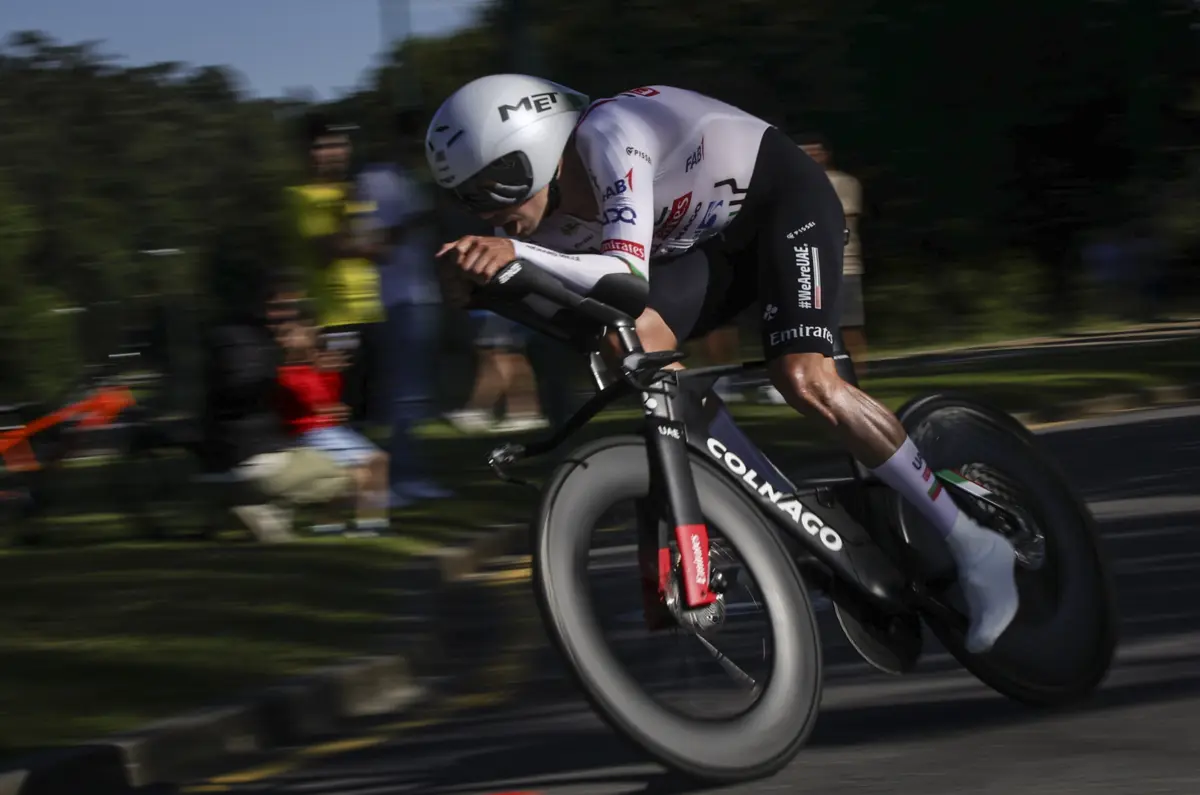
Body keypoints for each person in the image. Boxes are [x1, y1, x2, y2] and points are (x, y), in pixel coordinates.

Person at [425, 75, 1018, 653]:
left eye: (490, 190)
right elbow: (592, 315)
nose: (486, 214)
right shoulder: (545, 218)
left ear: (532, 150)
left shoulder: (608, 134)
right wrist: (488, 289)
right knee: (626, 344)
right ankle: (763, 502)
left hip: (783, 204)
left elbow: (626, 281)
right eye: (466, 200)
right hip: (709, 248)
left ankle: (973, 541)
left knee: (804, 377)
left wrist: (516, 254)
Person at [199, 277, 352, 539]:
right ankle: (251, 500)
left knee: (322, 466)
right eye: (284, 305)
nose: (291, 313)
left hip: (236, 449)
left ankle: (260, 508)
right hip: (255, 453)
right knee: (346, 475)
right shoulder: (254, 344)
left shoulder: (228, 336)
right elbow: (249, 387)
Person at [352, 108, 453, 507]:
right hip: (393, 300)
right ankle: (396, 479)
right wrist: (413, 222)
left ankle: (408, 474)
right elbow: (369, 244)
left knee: (415, 395)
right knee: (400, 396)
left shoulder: (413, 181)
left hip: (420, 295)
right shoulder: (373, 180)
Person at [284, 114, 386, 428]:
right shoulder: (302, 196)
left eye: (338, 145)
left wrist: (355, 239)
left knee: (377, 412)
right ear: (308, 152)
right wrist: (347, 217)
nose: (333, 152)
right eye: (323, 146)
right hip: (333, 319)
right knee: (342, 412)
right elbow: (326, 252)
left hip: (374, 312)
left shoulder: (358, 193)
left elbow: (379, 248)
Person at [274, 312, 390, 535]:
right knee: (369, 466)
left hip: (326, 429)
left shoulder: (314, 367)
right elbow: (308, 401)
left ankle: (335, 523)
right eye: (294, 333)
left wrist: (330, 377)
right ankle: (366, 523)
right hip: (309, 431)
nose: (308, 334)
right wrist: (328, 407)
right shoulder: (287, 371)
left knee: (367, 466)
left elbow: (328, 399)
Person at [797, 133, 867, 378]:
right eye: (804, 152)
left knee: (849, 327)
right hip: (809, 266)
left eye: (814, 152)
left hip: (844, 264)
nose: (810, 157)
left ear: (826, 154)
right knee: (814, 329)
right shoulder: (797, 183)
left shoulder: (843, 183)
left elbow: (841, 219)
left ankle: (860, 374)